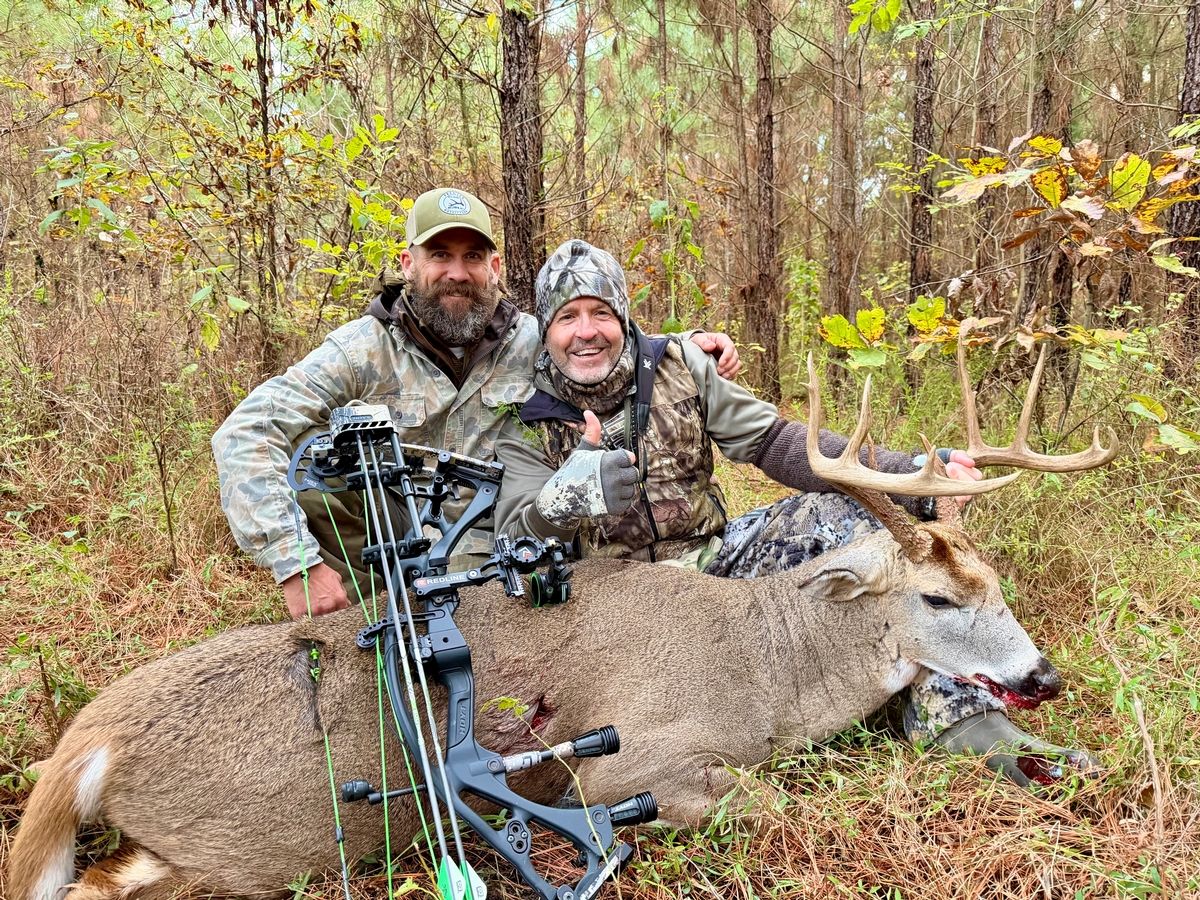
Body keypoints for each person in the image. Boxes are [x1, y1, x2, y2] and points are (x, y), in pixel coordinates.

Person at [492, 238, 1095, 789]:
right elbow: (514, 537)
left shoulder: (679, 366)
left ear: (623, 316)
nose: (586, 332)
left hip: (712, 566)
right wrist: (564, 497)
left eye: (600, 312)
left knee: (863, 531)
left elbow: (777, 444)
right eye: (567, 318)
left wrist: (913, 478)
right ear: (546, 331)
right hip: (613, 608)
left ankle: (963, 722)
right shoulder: (525, 417)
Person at [212, 188, 738, 620]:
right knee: (312, 457)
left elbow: (601, 345)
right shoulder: (362, 350)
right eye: (440, 254)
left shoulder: (530, 340)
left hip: (496, 538)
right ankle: (357, 613)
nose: (457, 273)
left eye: (472, 257)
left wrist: (685, 347)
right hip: (390, 535)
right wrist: (298, 564)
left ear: (495, 266)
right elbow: (246, 430)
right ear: (408, 263)